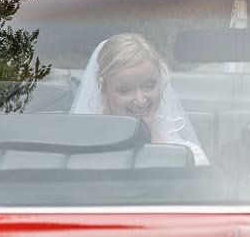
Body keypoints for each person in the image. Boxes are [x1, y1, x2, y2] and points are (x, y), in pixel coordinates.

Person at [71, 33, 209, 166]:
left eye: (149, 86)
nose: (140, 100)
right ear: (104, 91)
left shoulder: (189, 156)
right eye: (125, 90)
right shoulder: (84, 156)